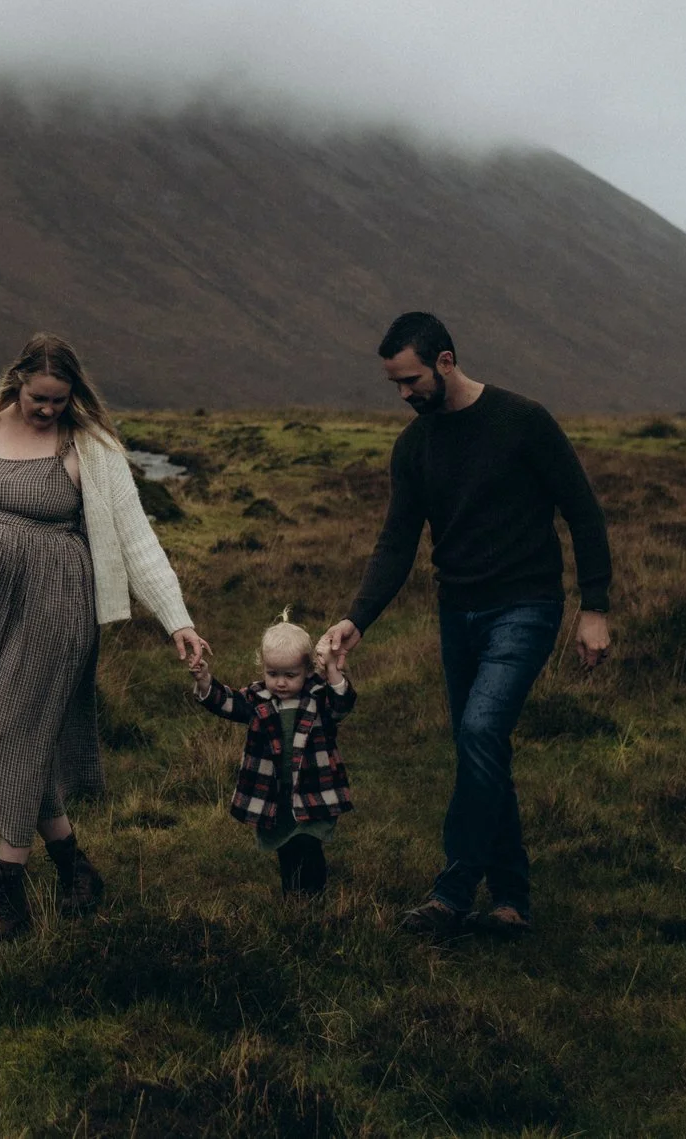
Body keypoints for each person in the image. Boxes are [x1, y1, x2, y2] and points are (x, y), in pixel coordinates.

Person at [0, 332, 208, 940]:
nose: (47, 409)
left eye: (59, 399)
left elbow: (136, 539)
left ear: (74, 394)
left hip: (57, 602)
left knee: (10, 724)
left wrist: (176, 619)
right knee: (16, 735)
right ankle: (75, 867)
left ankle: (8, 898)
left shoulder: (91, 445)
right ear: (16, 383)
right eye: (38, 398)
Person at [315, 311, 613, 936]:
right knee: (483, 746)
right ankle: (510, 899)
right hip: (459, 612)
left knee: (479, 730)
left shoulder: (523, 422)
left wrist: (594, 607)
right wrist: (356, 619)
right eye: (394, 383)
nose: (404, 395)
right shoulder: (415, 446)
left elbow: (582, 510)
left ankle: (453, 892)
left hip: (527, 606)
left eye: (412, 379)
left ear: (446, 361)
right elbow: (396, 543)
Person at [191, 614, 354, 896]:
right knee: (286, 847)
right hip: (275, 791)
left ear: (307, 670)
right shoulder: (257, 699)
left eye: (290, 675)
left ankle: (314, 896)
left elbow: (342, 705)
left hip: (313, 788)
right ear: (262, 668)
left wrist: (331, 667)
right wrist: (206, 681)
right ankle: (292, 899)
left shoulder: (317, 696)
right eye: (272, 674)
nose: (280, 683)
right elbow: (228, 703)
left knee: (309, 843)